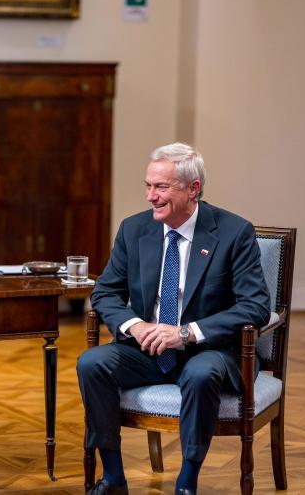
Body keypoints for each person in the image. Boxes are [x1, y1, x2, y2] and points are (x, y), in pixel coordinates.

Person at [77, 143, 270, 495]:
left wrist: (186, 333)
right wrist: (136, 325)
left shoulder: (233, 233)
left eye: (161, 187)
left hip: (212, 352)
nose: (151, 196)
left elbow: (255, 306)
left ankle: (187, 482)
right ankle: (114, 477)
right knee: (92, 363)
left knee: (199, 373)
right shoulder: (134, 230)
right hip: (148, 349)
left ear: (193, 189)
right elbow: (105, 293)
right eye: (148, 186)